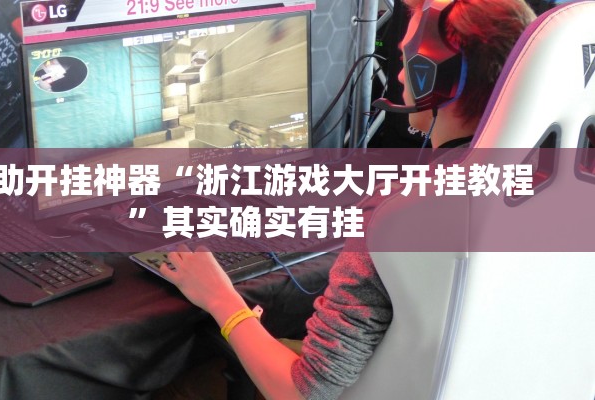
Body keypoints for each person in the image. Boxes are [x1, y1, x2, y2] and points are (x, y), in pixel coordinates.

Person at [156, 1, 536, 399]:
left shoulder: (400, 215)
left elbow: (303, 391)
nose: (400, 75)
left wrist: (220, 298)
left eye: (407, 62)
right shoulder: (550, 184)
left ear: (434, 79)